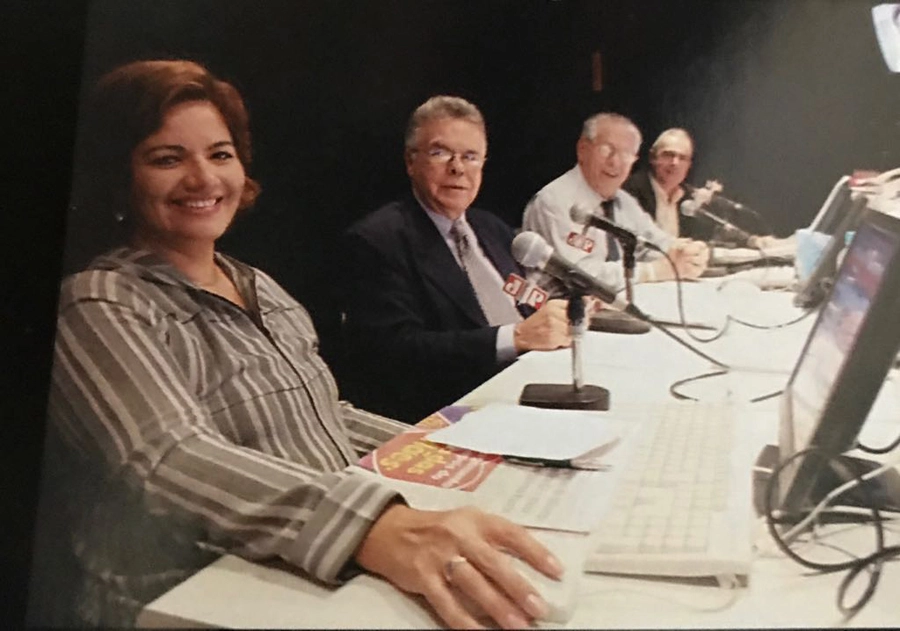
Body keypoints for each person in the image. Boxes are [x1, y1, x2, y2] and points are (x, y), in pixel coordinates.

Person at [36, 60, 563, 629]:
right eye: (167, 158)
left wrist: (469, 458)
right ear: (119, 177)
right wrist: (372, 525)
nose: (203, 179)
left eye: (219, 154)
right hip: (194, 599)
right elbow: (167, 457)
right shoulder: (98, 302)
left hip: (306, 568)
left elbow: (325, 416)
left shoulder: (259, 285)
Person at [339, 96, 571, 423]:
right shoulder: (378, 240)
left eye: (471, 156)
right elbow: (394, 350)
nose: (458, 167)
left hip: (530, 384)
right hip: (457, 411)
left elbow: (521, 295)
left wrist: (560, 309)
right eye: (440, 152)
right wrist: (514, 338)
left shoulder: (492, 228)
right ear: (410, 160)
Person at [522, 113, 710, 296]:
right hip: (558, 312)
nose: (616, 162)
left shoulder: (623, 201)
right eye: (607, 150)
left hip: (613, 305)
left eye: (627, 154)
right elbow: (580, 277)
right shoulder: (555, 201)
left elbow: (654, 243)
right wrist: (653, 271)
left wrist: (687, 253)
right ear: (582, 149)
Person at [624, 127, 779, 248]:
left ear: (689, 165)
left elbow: (718, 226)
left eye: (682, 158)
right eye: (668, 155)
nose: (675, 163)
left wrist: (751, 240)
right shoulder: (631, 192)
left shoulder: (689, 197)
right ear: (653, 157)